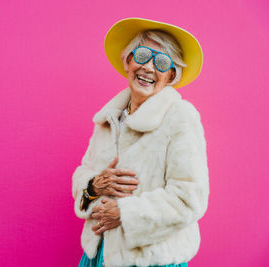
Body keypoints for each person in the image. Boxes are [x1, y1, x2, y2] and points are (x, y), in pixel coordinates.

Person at [72, 18, 209, 267]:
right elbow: (83, 174)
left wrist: (125, 213)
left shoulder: (180, 116)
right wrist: (93, 186)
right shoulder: (109, 119)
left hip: (151, 260)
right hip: (97, 255)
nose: (149, 67)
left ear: (170, 76)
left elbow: (189, 198)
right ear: (128, 61)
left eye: (162, 62)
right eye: (143, 55)